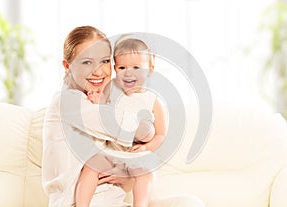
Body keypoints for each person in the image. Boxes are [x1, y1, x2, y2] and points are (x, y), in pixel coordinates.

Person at [42, 25, 205, 207]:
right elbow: (137, 130)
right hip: (82, 203)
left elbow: (125, 180)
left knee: (189, 202)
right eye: (87, 62)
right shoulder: (69, 102)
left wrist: (125, 174)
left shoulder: (106, 99)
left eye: (104, 61)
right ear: (67, 66)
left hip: (114, 201)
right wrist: (148, 132)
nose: (98, 71)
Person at [76, 36, 166, 207]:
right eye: (122, 67)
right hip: (112, 150)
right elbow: (101, 111)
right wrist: (96, 100)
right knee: (90, 166)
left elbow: (160, 134)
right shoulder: (112, 90)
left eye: (136, 67)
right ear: (115, 69)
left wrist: (146, 147)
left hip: (135, 153)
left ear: (150, 69)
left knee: (145, 173)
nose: (128, 73)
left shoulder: (153, 100)